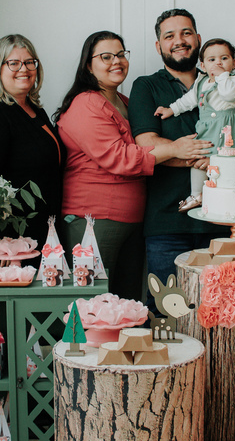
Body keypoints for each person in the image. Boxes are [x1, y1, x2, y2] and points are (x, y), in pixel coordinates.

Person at [56, 30, 209, 300]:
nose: (116, 61)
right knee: (93, 304)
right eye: (106, 56)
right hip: (94, 219)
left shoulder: (124, 103)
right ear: (88, 65)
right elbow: (119, 157)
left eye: (120, 54)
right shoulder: (86, 103)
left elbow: (140, 150)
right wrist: (175, 148)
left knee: (124, 306)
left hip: (132, 219)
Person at [127, 10, 220, 288]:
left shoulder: (220, 84)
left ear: (198, 39)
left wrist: (180, 150)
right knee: (165, 311)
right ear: (159, 46)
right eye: (170, 36)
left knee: (221, 315)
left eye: (186, 33)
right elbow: (147, 146)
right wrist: (210, 158)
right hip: (166, 224)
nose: (179, 41)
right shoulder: (146, 87)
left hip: (220, 222)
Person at [0, 34, 64, 261]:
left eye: (30, 62)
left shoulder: (34, 110)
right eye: (14, 63)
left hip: (44, 224)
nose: (24, 69)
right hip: (13, 237)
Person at [155, 38, 235, 211]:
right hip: (208, 129)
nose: (218, 63)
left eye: (224, 58)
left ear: (233, 62)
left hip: (227, 129)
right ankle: (197, 194)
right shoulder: (201, 82)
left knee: (229, 162)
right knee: (198, 160)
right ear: (203, 65)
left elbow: (229, 95)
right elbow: (188, 100)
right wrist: (171, 110)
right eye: (212, 60)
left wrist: (222, 76)